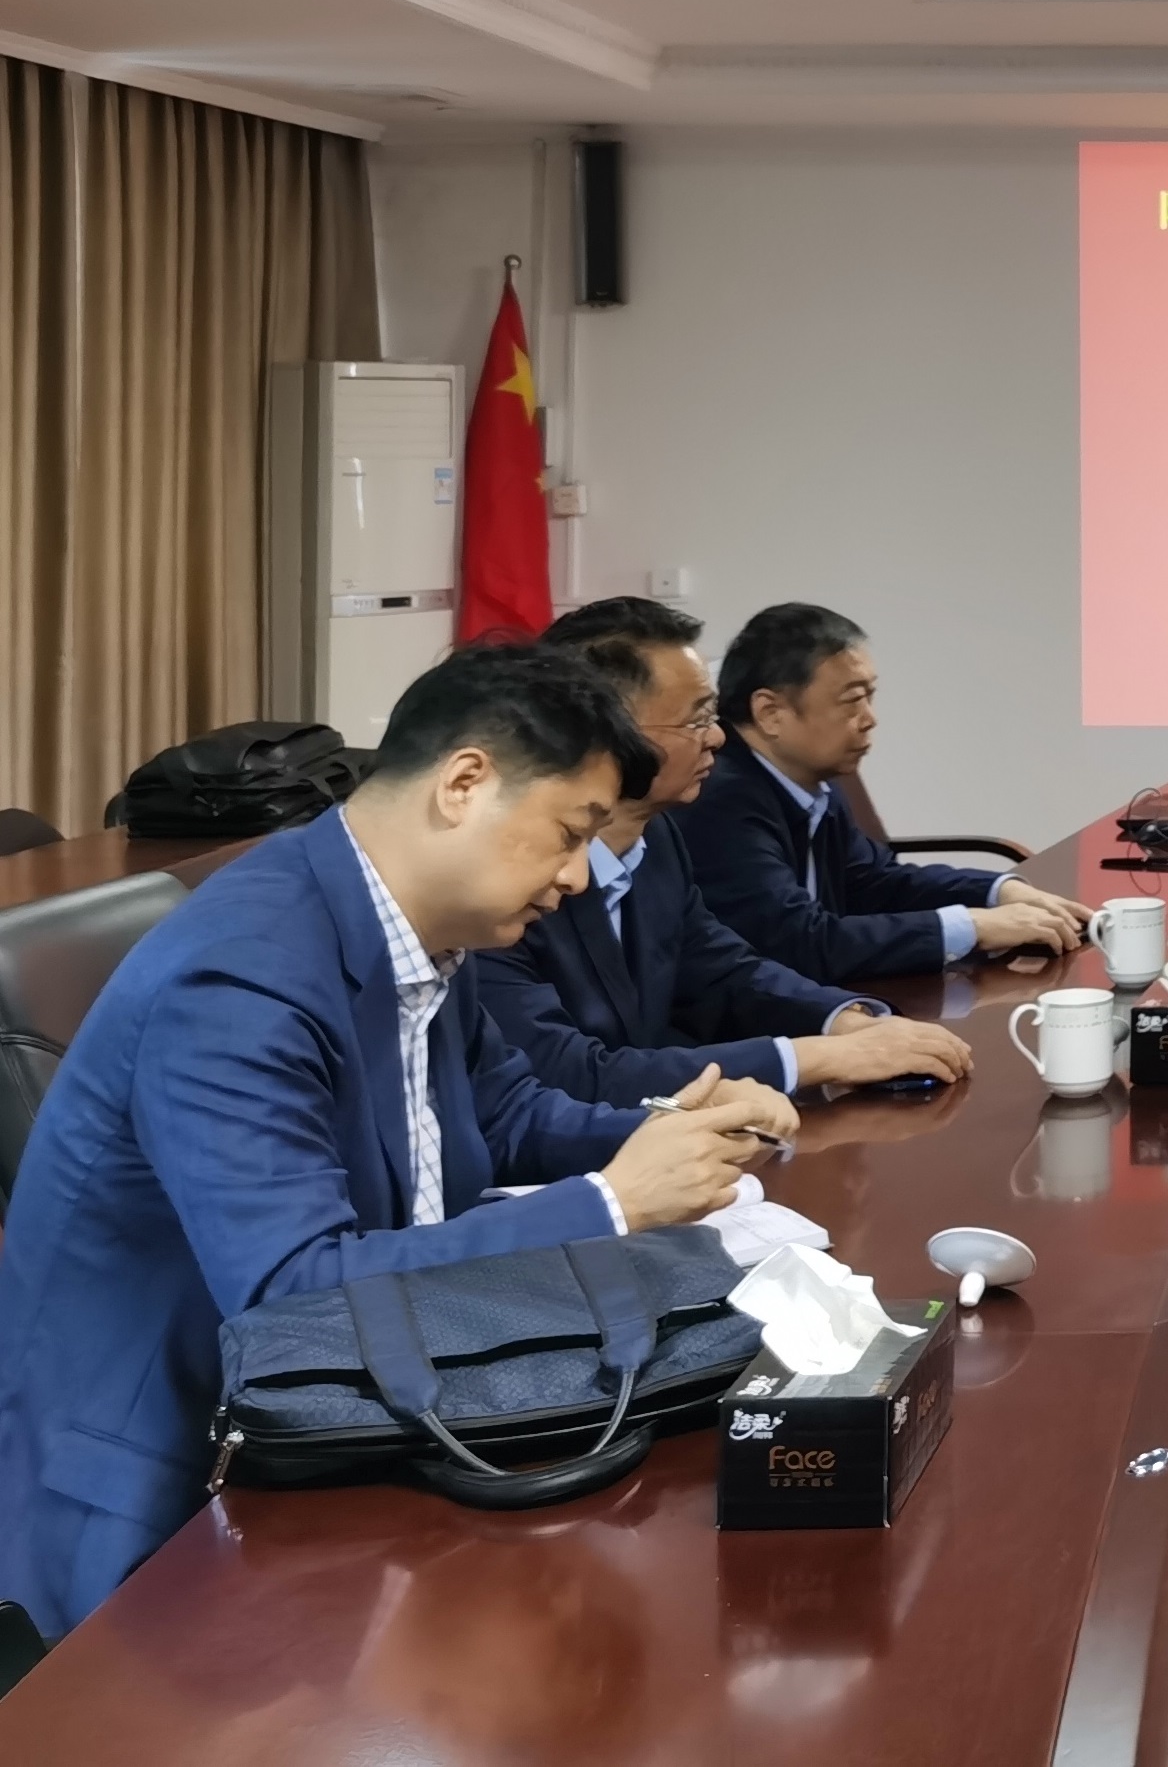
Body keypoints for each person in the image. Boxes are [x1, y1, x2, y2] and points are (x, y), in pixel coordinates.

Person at [0, 643, 782, 1640]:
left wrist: (666, 1135)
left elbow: (504, 1114)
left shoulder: (421, 924)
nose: (578, 876)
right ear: (464, 783)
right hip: (175, 1494)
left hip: (348, 1407)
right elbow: (291, 1284)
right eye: (570, 831)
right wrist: (616, 1200)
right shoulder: (241, 979)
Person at [474, 598, 980, 1105]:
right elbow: (570, 1074)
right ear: (606, 731)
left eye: (712, 716)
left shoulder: (658, 838)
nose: (717, 737)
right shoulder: (505, 884)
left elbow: (721, 970)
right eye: (695, 721)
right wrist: (815, 1058)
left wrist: (846, 1021)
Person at [672, 602, 1089, 984]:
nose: (869, 719)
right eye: (852, 700)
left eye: (870, 697)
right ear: (771, 713)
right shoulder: (719, 799)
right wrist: (974, 927)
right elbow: (798, 942)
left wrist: (997, 892)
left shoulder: (815, 782)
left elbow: (874, 883)